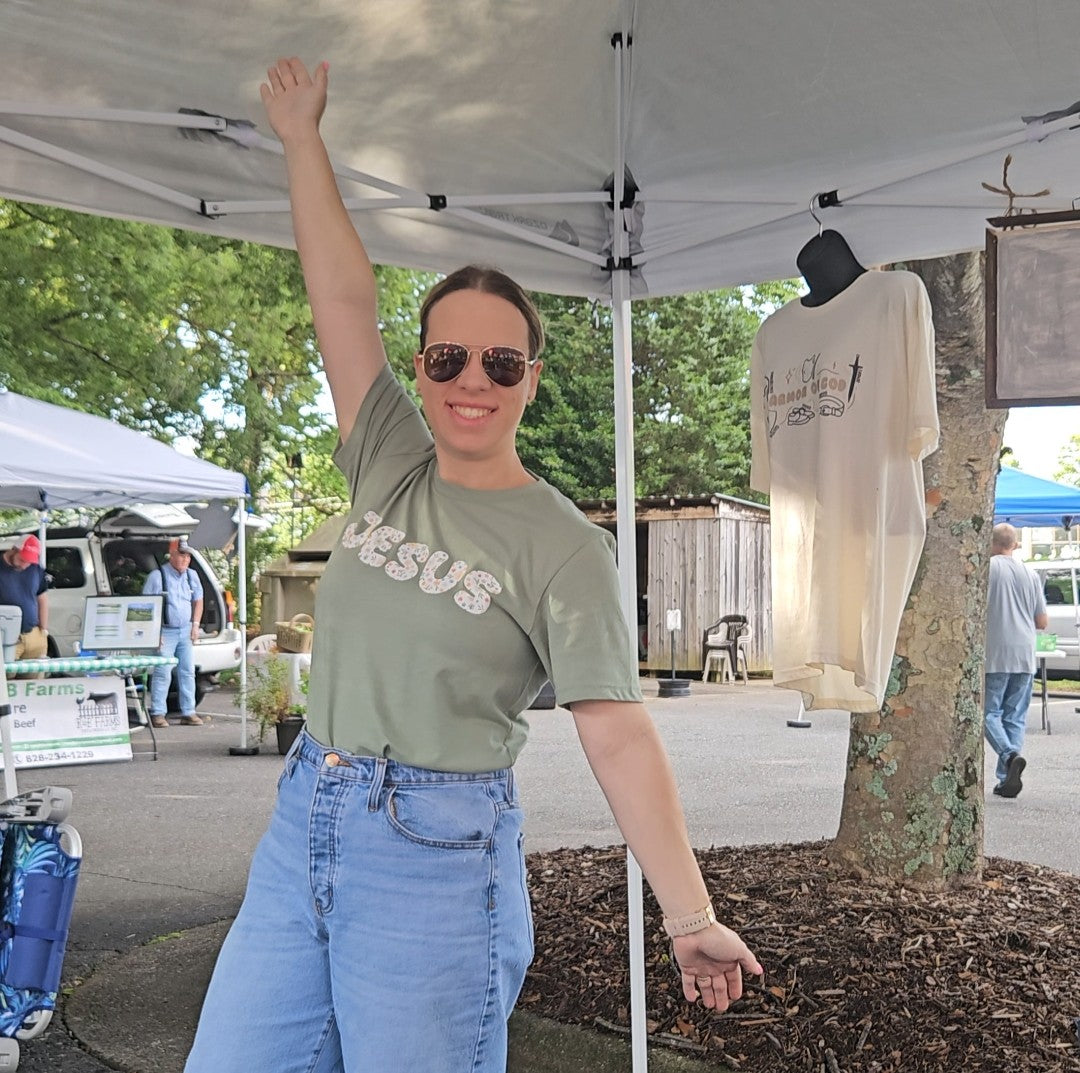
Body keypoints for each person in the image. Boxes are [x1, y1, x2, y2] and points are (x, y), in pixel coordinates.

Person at [184, 57, 762, 1073]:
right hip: (307, 812)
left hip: (436, 851)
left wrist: (689, 914)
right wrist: (302, 139)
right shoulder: (388, 456)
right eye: (448, 357)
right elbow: (341, 298)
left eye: (500, 363)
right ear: (421, 367)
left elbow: (619, 732)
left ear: (531, 378)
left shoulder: (564, 545)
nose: (472, 381)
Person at [984, 522, 1047, 799]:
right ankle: (1005, 779)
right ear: (1015, 545)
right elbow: (1042, 621)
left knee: (988, 713)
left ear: (991, 542)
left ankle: (1009, 756)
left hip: (995, 651)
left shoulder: (987, 569)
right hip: (1025, 652)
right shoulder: (1030, 573)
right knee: (1015, 717)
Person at [141, 538, 204, 728]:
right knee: (163, 672)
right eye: (181, 555)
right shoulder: (157, 576)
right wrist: (155, 632)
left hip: (185, 630)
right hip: (165, 631)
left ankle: (189, 712)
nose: (185, 560)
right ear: (172, 555)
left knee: (188, 671)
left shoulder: (191, 575)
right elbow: (146, 606)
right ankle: (158, 713)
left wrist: (195, 625)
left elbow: (198, 600)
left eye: (188, 556)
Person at [0, 535, 48, 660]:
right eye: (22, 560)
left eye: (29, 561)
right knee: (6, 672)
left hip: (34, 634)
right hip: (6, 638)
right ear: (14, 550)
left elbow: (42, 599)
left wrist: (43, 630)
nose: (25, 565)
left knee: (38, 672)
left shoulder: (36, 569)